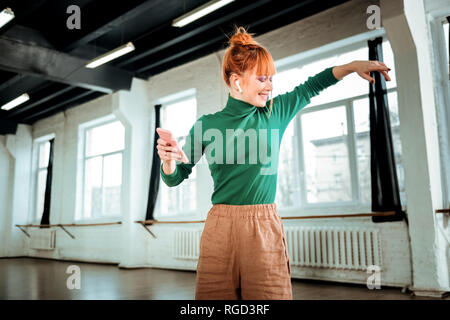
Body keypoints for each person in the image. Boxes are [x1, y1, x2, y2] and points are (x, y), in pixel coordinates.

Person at [157, 26, 391, 300]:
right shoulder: (206, 125)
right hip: (220, 227)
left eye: (271, 79)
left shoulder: (275, 112)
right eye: (262, 78)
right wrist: (169, 162)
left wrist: (351, 66)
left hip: (263, 225)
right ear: (237, 82)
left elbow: (312, 85)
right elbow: (175, 177)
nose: (269, 86)